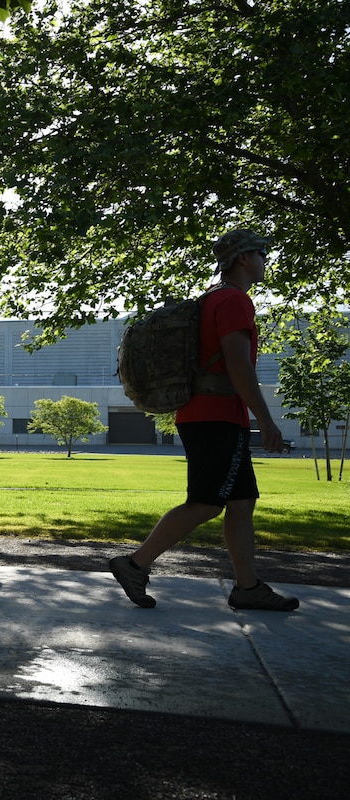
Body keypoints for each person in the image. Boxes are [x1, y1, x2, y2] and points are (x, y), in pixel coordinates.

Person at [109, 229, 299, 612]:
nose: (266, 260)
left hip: (211, 414)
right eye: (262, 253)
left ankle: (247, 588)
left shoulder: (213, 298)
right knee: (207, 503)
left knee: (242, 501)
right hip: (216, 416)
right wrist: (267, 419)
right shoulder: (233, 301)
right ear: (243, 258)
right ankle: (133, 565)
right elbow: (238, 364)